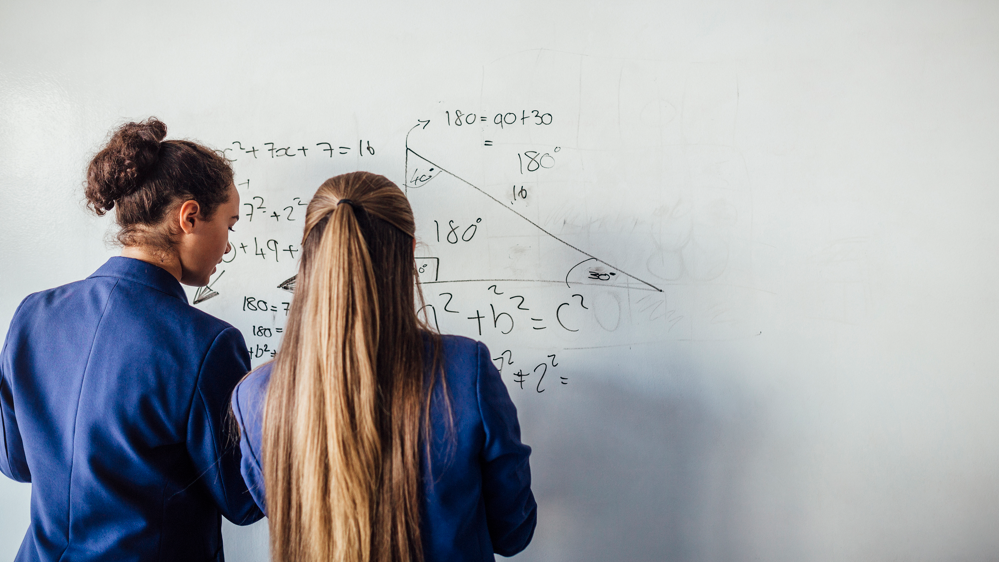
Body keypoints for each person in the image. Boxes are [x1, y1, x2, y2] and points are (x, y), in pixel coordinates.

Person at [231, 172, 537, 562]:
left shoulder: (256, 396)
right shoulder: (467, 371)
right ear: (410, 251)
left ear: (309, 257)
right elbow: (513, 533)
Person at [0, 118, 263, 561]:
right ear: (190, 217)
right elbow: (242, 499)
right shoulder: (207, 344)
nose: (228, 247)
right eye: (230, 226)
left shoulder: (32, 314)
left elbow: (15, 462)